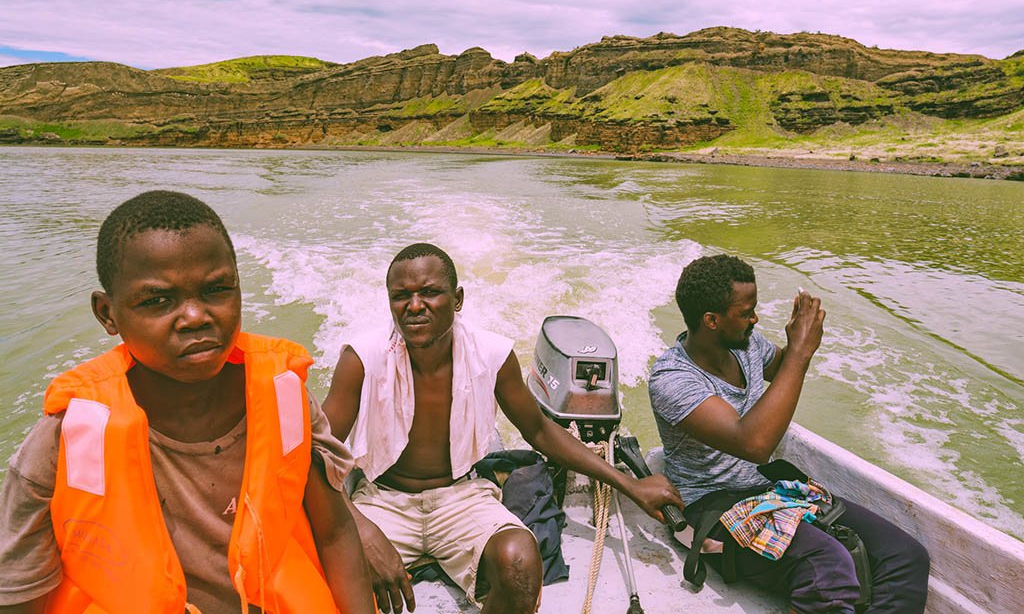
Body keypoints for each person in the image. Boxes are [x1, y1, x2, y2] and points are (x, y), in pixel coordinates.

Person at [0, 190, 374, 614]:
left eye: (217, 289)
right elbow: (20, 592)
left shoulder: (285, 398)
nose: (196, 316)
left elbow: (333, 532)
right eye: (157, 300)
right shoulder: (67, 437)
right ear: (107, 313)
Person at [322, 243, 685, 614]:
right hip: (383, 499)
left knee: (520, 563)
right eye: (401, 296)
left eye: (429, 292)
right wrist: (361, 528)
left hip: (460, 496)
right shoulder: (361, 358)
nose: (414, 306)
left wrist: (630, 485)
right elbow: (316, 453)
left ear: (457, 299)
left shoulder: (491, 354)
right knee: (331, 581)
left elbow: (539, 430)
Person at [647, 254, 930, 613]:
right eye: (746, 313)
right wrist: (799, 353)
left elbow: (783, 371)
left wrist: (798, 344)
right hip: (713, 508)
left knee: (905, 557)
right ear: (711, 320)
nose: (755, 319)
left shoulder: (747, 346)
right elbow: (754, 444)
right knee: (829, 569)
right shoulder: (673, 379)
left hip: (770, 490)